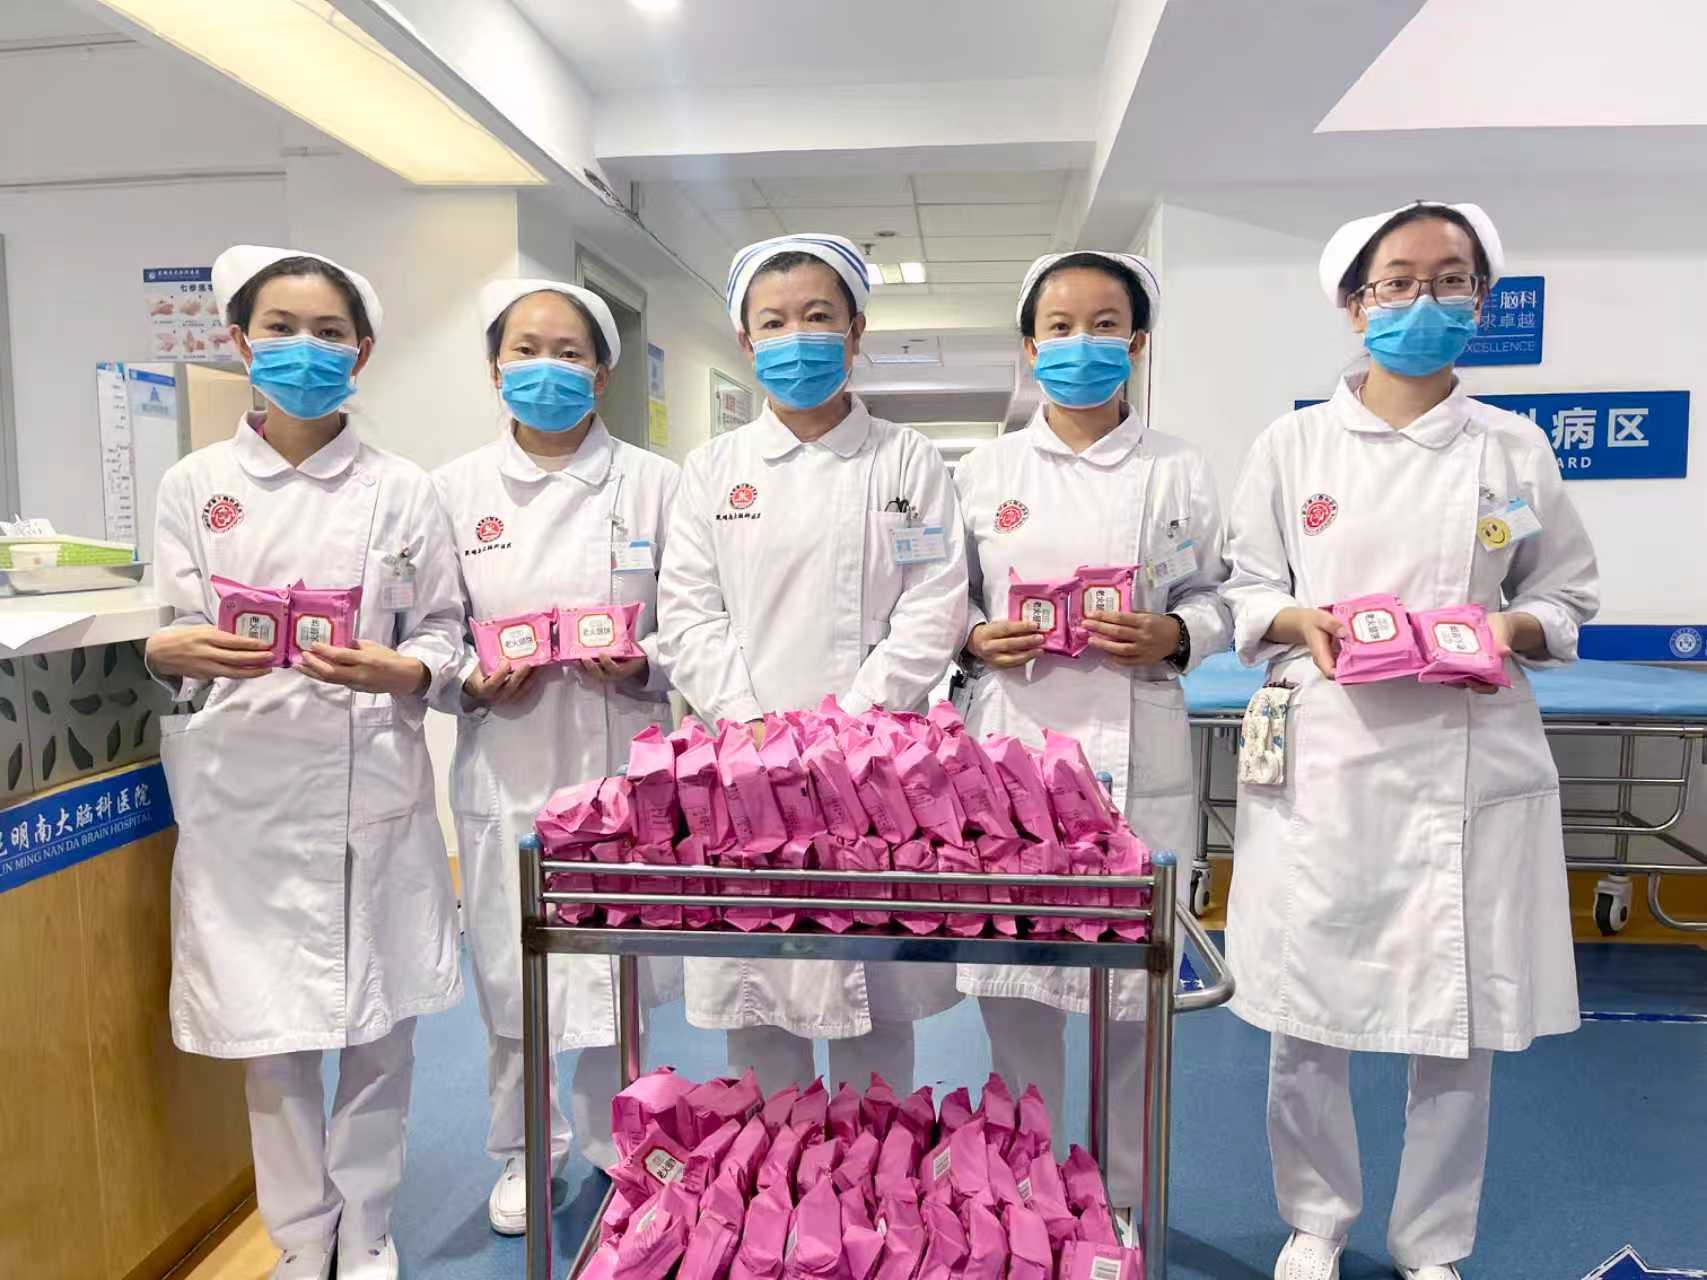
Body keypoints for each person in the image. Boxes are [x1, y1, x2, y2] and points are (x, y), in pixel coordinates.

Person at [1220, 202, 1599, 1280]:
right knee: (1305, 1011)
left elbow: (1566, 593)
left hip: (1464, 749)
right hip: (1329, 758)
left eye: (1450, 280)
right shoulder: (1292, 446)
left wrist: (1505, 630)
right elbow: (1247, 586)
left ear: (1480, 301)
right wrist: (1298, 620)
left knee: (1456, 1016)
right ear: (1355, 305)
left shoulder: (1511, 449)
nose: (1423, 301)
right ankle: (1315, 1219)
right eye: (1397, 282)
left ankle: (1432, 1241)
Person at [147, 246, 467, 1280]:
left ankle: (365, 1224)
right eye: (280, 329)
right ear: (240, 343)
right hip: (244, 791)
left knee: (382, 1027)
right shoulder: (195, 485)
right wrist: (173, 649)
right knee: (269, 1031)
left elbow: (446, 631)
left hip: (369, 782)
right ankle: (299, 1235)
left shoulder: (402, 489)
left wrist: (404, 667)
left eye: (328, 333)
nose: (304, 350)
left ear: (361, 352)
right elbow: (168, 626)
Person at [656, 233, 969, 1094]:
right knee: (759, 997)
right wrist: (749, 724)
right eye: (774, 322)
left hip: (876, 765)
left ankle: (880, 1163)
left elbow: (933, 604)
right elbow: (688, 612)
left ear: (855, 331)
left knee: (877, 1003)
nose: (796, 337)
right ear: (746, 341)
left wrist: (851, 726)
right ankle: (765, 1169)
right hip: (743, 764)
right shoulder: (713, 470)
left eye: (818, 316)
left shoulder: (906, 461)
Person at [952, 251, 1229, 1206]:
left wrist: (1178, 633)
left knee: (1134, 1000)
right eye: (1060, 327)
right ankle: (1027, 1201)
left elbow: (1220, 595)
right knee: (1016, 989)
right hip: (1012, 751)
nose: (1082, 345)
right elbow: (940, 603)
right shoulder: (983, 473)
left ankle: (1122, 1201)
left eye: (1105, 326)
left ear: (1137, 343)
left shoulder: (1178, 469)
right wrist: (973, 636)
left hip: (1136, 746)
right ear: (1030, 348)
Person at [430, 278, 682, 1232]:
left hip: (621, 759)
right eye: (526, 350)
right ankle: (524, 1150)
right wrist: (469, 678)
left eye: (569, 352)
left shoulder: (655, 484)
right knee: (511, 968)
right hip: (508, 759)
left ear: (602, 374)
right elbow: (430, 629)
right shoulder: (452, 491)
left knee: (616, 967)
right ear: (495, 368)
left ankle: (624, 1143)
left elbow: (691, 618)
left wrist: (647, 660)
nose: (547, 369)